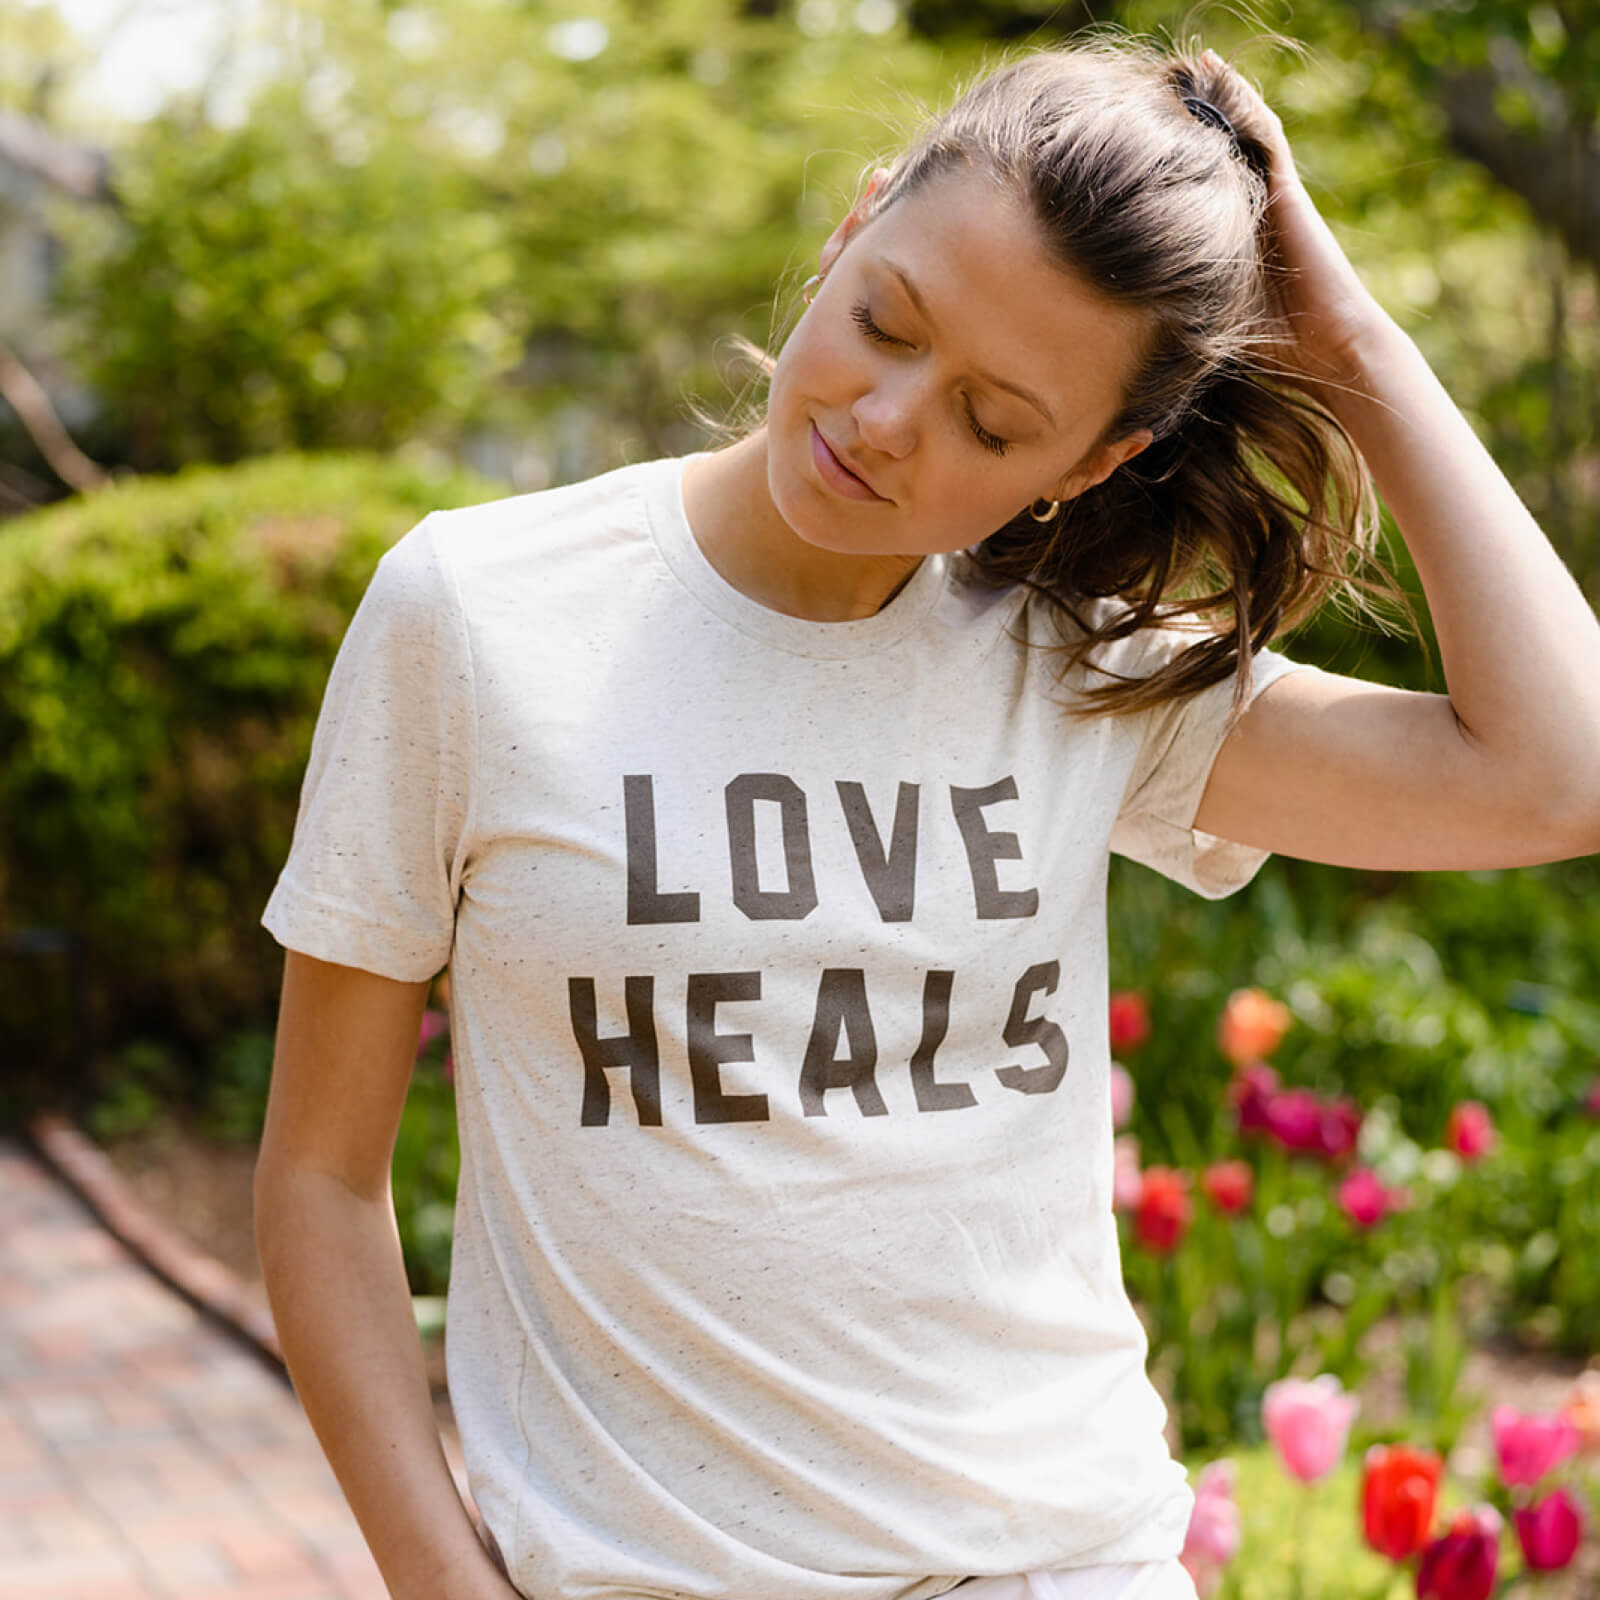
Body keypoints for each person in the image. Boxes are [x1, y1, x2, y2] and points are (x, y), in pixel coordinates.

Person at [252, 35, 1600, 1600]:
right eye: (885, 319)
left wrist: (1345, 333)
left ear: (1094, 463)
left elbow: (1558, 777)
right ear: (855, 222)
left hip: (1067, 1565)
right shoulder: (478, 617)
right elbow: (319, 1184)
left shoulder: (1079, 668)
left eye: (993, 421)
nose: (888, 419)